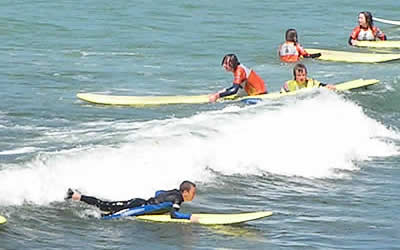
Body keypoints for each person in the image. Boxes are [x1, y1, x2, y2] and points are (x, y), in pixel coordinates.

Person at [65, 180, 198, 222]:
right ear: (185, 192)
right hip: (138, 206)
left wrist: (160, 204)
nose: (194, 195)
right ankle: (77, 199)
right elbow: (174, 215)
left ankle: (77, 196)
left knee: (106, 206)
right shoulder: (178, 199)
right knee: (107, 214)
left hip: (140, 202)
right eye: (193, 193)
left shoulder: (174, 192)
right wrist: (189, 217)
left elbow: (158, 193)